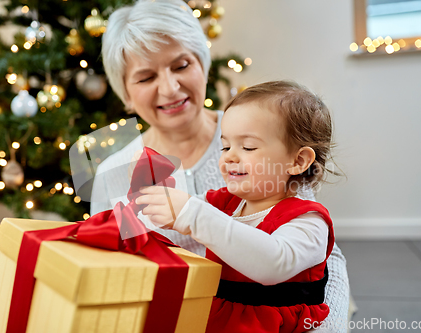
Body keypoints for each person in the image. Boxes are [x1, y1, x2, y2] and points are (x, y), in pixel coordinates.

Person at [91, 0, 350, 331]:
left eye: (182, 65)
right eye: (145, 77)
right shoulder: (114, 173)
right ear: (125, 93)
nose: (170, 88)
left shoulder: (268, 144)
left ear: (203, 64)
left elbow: (325, 258)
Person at [136, 81, 338, 332]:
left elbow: (273, 262)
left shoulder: (308, 220)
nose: (229, 156)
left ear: (297, 161)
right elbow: (172, 217)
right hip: (217, 315)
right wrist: (146, 213)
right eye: (226, 146)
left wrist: (193, 215)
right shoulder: (227, 201)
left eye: (248, 147)